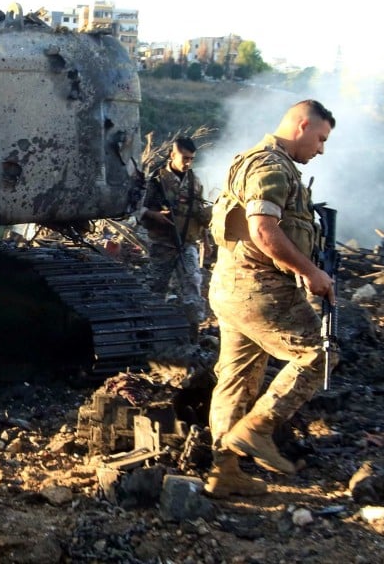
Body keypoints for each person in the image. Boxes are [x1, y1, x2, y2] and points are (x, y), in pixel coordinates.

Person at [204, 99, 337, 498]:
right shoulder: (271, 166)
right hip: (258, 288)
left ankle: (223, 471)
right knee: (318, 354)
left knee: (236, 379)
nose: (321, 149)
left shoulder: (254, 161)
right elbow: (263, 230)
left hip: (230, 288)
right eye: (320, 138)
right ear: (302, 125)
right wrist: (310, 272)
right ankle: (257, 431)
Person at [140, 136, 212, 328]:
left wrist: (205, 239)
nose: (188, 163)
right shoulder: (156, 180)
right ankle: (152, 328)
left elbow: (197, 211)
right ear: (173, 155)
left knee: (193, 284)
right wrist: (154, 215)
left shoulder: (194, 181)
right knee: (156, 287)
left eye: (191, 159)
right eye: (184, 158)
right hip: (162, 243)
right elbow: (138, 207)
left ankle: (193, 331)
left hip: (187, 243)